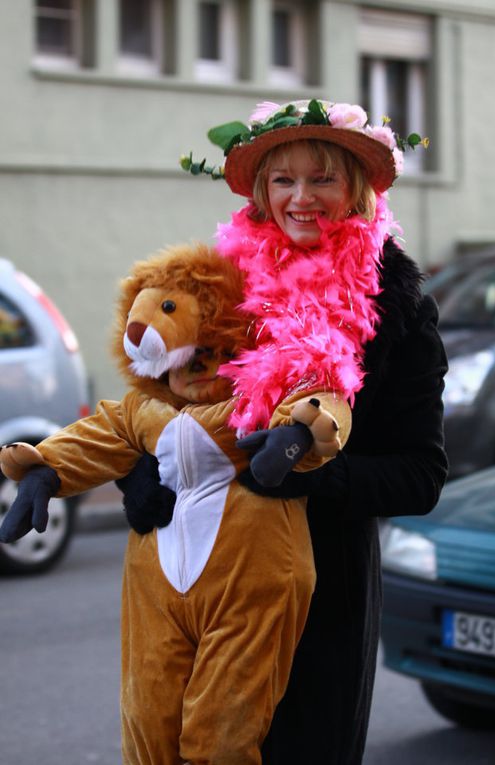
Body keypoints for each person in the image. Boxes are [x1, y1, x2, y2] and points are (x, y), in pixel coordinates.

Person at [120, 99, 449, 765]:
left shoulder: (399, 304)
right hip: (201, 580)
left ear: (356, 187)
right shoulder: (220, 286)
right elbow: (161, 403)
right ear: (262, 192)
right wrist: (142, 470)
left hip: (322, 595)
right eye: (284, 180)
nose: (302, 198)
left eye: (322, 178)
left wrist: (310, 470)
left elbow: (421, 474)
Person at [0, 243, 351, 765]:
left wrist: (295, 437)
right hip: (157, 591)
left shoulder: (254, 394)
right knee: (148, 720)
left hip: (249, 583)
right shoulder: (146, 411)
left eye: (166, 310)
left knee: (224, 730)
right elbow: (100, 434)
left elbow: (321, 403)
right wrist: (44, 472)